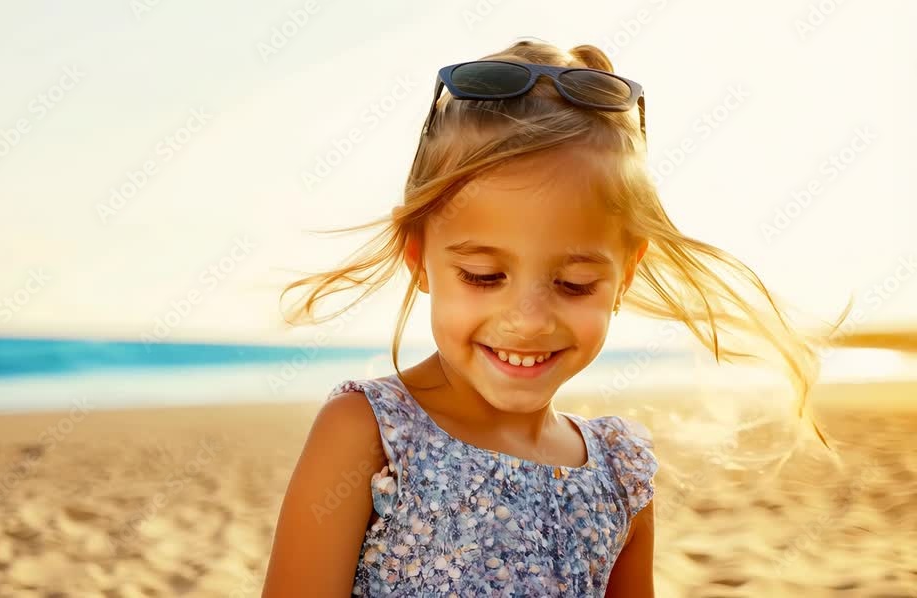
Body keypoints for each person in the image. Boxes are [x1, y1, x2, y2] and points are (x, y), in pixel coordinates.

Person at [263, 38, 834, 597]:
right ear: (419, 257)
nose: (529, 321)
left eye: (574, 284)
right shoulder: (370, 434)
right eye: (484, 275)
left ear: (625, 275)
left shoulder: (620, 471)